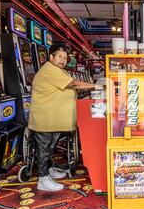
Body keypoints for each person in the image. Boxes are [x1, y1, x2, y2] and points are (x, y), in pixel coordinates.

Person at [29, 44, 97, 191]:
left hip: (52, 119)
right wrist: (97, 86)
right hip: (45, 118)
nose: (63, 60)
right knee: (44, 148)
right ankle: (43, 179)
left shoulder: (57, 70)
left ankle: (48, 170)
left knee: (50, 147)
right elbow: (73, 83)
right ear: (51, 57)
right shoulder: (49, 70)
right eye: (60, 56)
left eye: (65, 58)